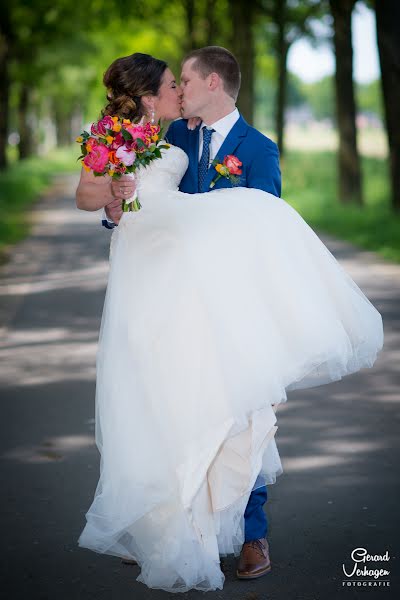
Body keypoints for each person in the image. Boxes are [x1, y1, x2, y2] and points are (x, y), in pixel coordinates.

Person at [76, 50, 384, 593]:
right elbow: (126, 199)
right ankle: (171, 522)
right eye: (174, 83)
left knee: (243, 409)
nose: (181, 89)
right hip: (169, 297)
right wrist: (115, 203)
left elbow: (265, 230)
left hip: (233, 303)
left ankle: (251, 534)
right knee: (178, 407)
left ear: (211, 83)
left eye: (186, 80)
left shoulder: (259, 148)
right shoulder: (174, 138)